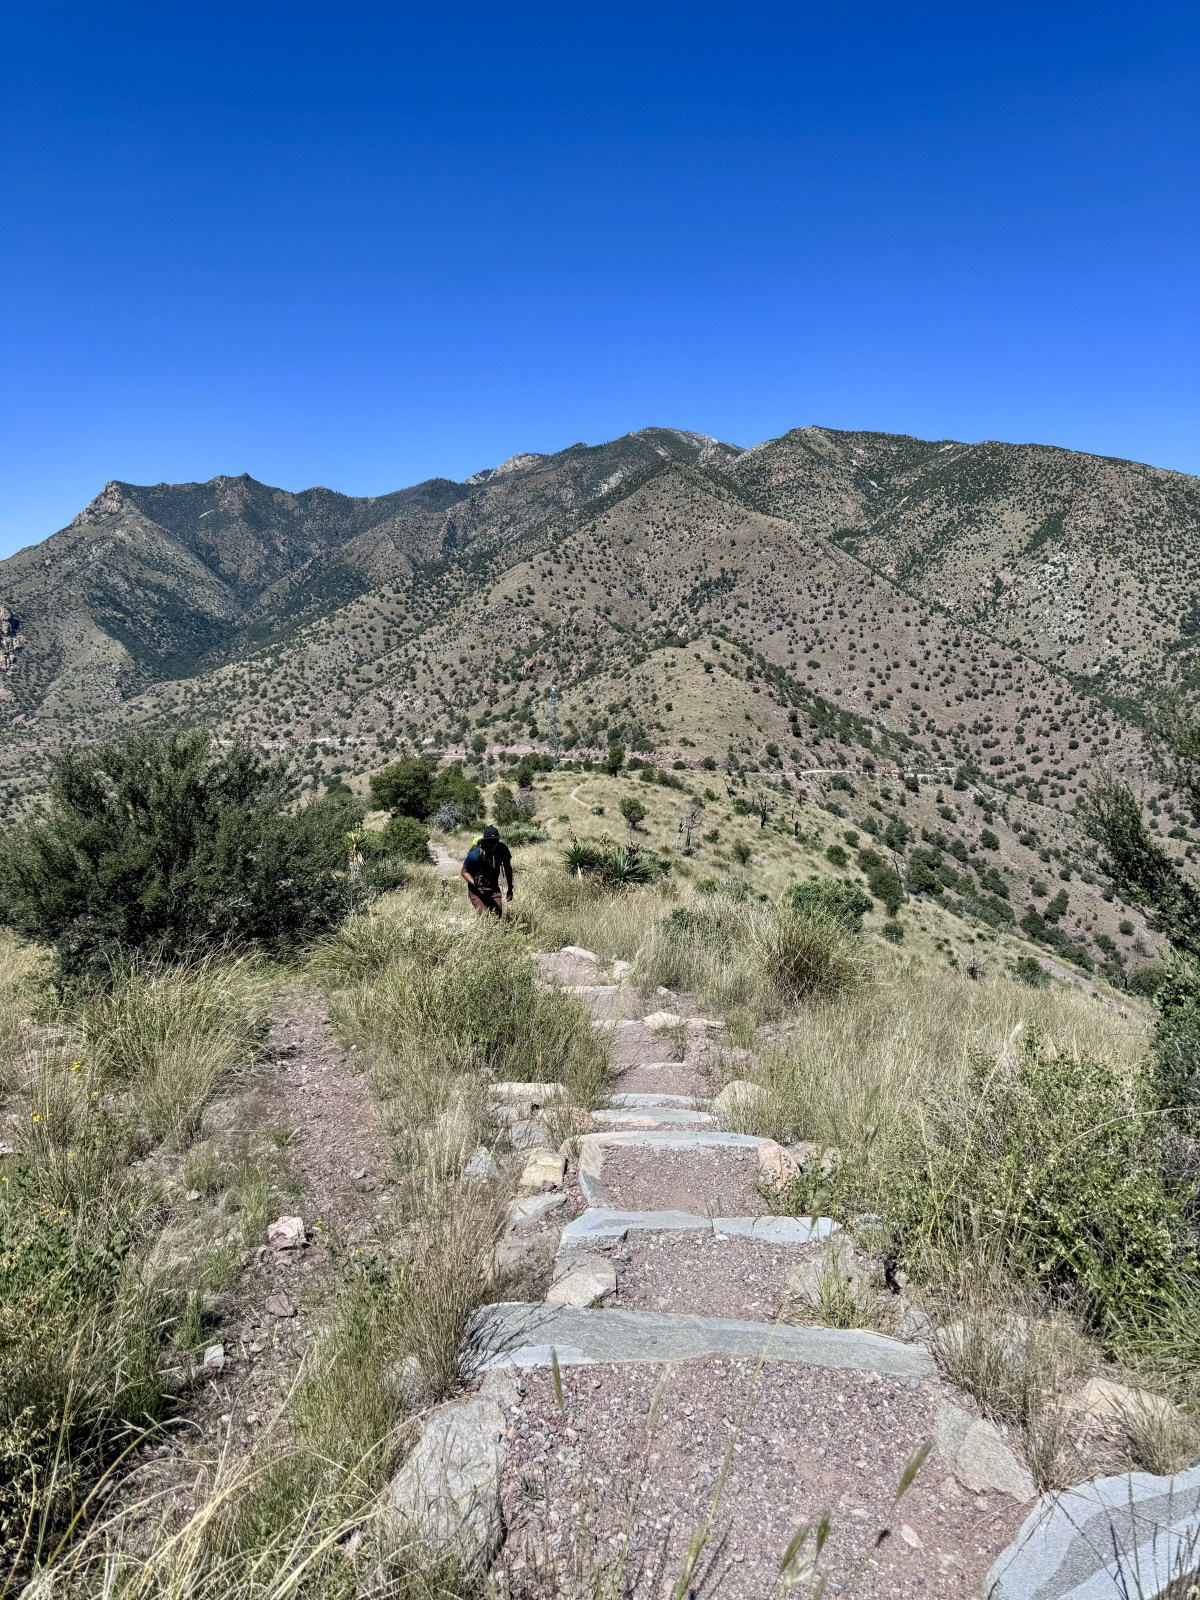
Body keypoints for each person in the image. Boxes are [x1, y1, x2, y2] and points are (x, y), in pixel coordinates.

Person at [461, 824, 514, 917]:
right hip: (476, 889)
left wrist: (510, 888)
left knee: (497, 915)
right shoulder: (475, 854)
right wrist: (475, 884)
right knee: (484, 916)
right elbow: (464, 872)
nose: (492, 844)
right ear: (485, 841)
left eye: (495, 841)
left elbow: (508, 869)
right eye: (489, 841)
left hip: (493, 887)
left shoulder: (502, 850)